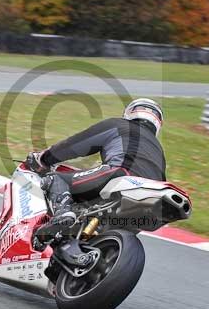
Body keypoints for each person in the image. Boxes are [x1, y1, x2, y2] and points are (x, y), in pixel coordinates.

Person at [24, 98, 166, 266]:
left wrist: (44, 158)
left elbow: (76, 144)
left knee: (57, 179)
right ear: (157, 123)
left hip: (120, 175)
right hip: (149, 202)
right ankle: (86, 247)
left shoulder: (119, 125)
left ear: (130, 112)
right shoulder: (158, 150)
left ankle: (63, 213)